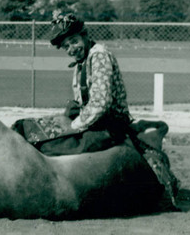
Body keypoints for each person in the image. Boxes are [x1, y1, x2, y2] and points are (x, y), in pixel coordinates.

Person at [12, 12, 180, 204]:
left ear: (84, 35)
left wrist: (75, 126)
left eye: (74, 41)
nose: (71, 48)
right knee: (28, 129)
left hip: (109, 125)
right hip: (92, 121)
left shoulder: (99, 56)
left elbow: (101, 103)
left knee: (53, 145)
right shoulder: (82, 62)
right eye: (66, 46)